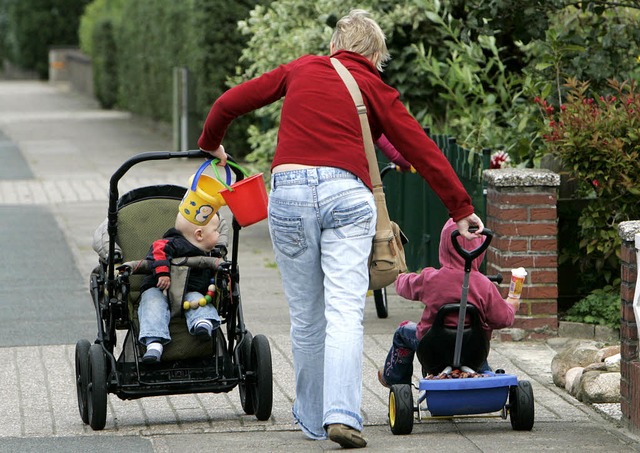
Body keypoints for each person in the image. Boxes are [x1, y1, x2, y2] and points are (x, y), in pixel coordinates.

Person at [197, 9, 484, 449]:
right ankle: (343, 414)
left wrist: (210, 142)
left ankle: (312, 421)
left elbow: (226, 104)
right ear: (375, 58)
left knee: (307, 319)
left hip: (290, 193)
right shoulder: (374, 85)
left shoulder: (301, 67)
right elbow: (419, 146)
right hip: (347, 197)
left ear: (335, 45)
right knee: (345, 311)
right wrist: (461, 208)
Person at [378, 219, 521, 387]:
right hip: (473, 352)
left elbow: (405, 286)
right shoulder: (485, 285)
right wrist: (511, 305)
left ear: (445, 245)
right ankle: (482, 378)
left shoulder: (431, 279)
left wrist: (400, 276)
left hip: (433, 349)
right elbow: (502, 319)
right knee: (477, 339)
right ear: (480, 249)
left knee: (403, 332)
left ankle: (396, 380)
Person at [138, 211, 223, 364]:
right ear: (199, 235)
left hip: (189, 291)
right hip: (158, 288)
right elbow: (158, 249)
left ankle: (202, 323)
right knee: (152, 306)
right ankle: (154, 344)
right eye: (216, 231)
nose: (219, 235)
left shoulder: (210, 253)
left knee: (198, 299)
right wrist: (162, 272)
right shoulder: (175, 243)